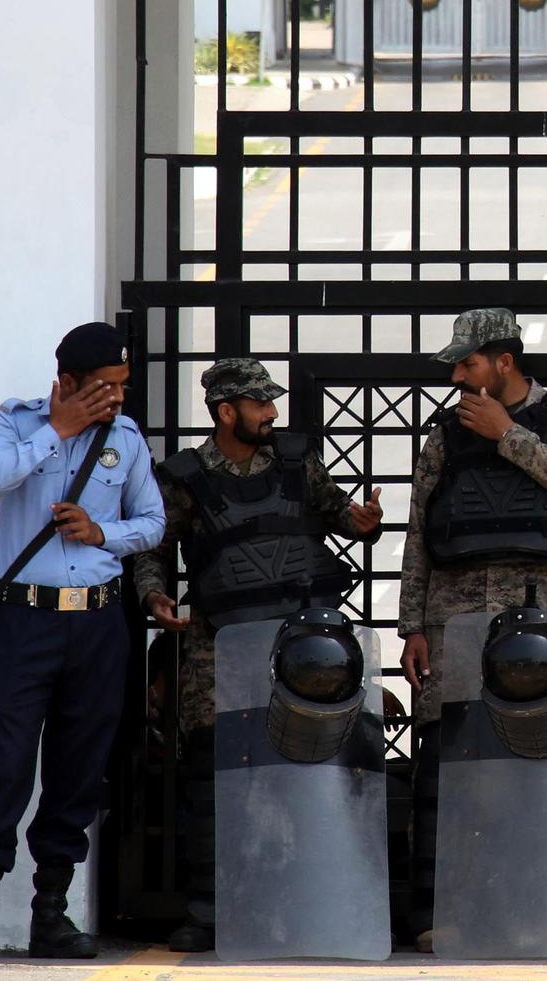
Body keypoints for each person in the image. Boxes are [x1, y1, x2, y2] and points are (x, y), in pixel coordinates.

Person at [128, 357, 384, 953]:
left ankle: (308, 899)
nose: (272, 412)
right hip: (220, 643)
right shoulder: (184, 476)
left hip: (302, 644)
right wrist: (153, 592)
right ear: (225, 411)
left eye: (271, 402)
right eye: (260, 403)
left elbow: (340, 515)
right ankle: (210, 911)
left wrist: (364, 523)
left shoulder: (295, 461)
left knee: (315, 762)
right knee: (215, 772)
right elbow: (154, 547)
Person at [395, 308, 547, 951]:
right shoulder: (446, 435)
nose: (457, 376)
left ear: (503, 362)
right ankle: (434, 913)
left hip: (536, 618)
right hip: (454, 617)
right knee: (445, 772)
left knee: (534, 770)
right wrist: (412, 626)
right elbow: (420, 531)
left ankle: (535, 907)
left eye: (467, 363)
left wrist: (509, 433)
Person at [0, 322, 166, 960]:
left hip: (98, 624)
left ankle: (50, 914)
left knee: (78, 770)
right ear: (67, 383)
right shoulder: (15, 422)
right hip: (28, 621)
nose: (114, 398)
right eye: (103, 387)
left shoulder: (126, 438)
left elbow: (154, 522)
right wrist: (57, 430)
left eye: (121, 387)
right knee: (8, 764)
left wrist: (102, 533)